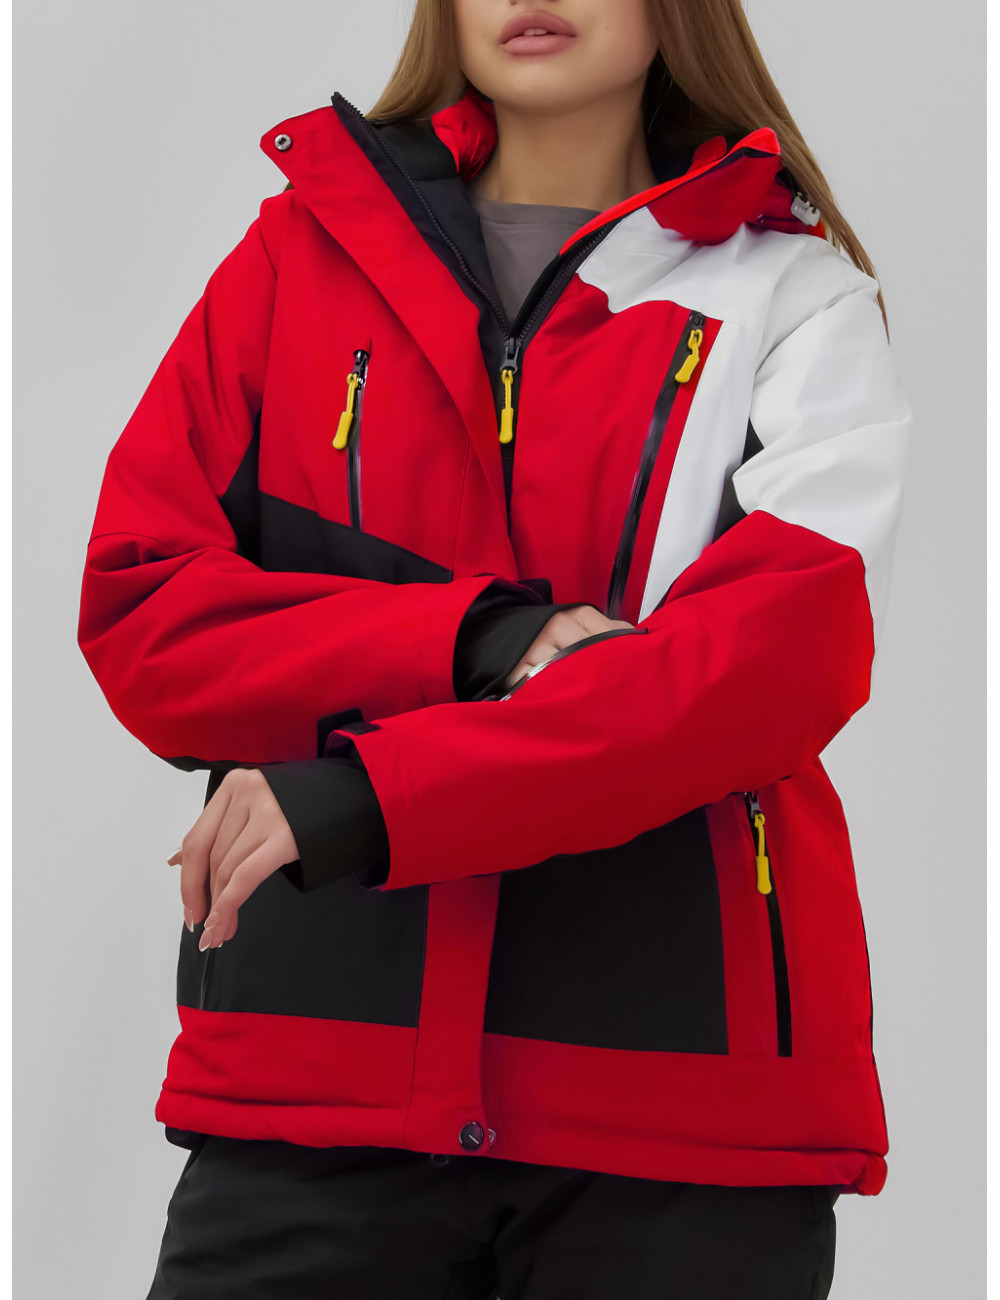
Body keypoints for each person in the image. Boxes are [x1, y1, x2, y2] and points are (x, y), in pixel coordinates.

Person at [77, 0, 912, 1295]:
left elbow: (763, 673)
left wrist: (368, 796)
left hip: (677, 1114)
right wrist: (483, 638)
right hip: (319, 1085)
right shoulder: (296, 263)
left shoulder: (794, 299)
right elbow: (147, 616)